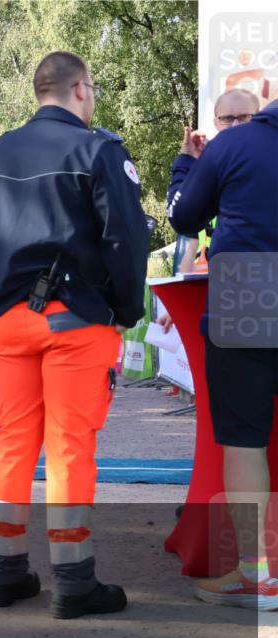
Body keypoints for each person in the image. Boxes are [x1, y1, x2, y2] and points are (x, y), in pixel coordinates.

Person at [0, 51, 150, 619]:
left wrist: (1, 305)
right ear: (81, 89)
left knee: (13, 445)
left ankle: (5, 574)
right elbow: (126, 239)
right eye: (92, 90)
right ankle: (74, 583)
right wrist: (124, 309)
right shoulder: (99, 151)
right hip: (76, 321)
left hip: (12, 324)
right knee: (70, 449)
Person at [167, 98, 278, 610]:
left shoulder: (234, 144)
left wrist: (185, 164)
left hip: (245, 296)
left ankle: (258, 577)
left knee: (244, 441)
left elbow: (184, 215)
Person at [159, 89, 262, 332]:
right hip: (216, 298)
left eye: (245, 117)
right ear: (216, 121)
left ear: (259, 117)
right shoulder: (210, 168)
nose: (236, 124)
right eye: (228, 118)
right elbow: (190, 241)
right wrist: (177, 305)